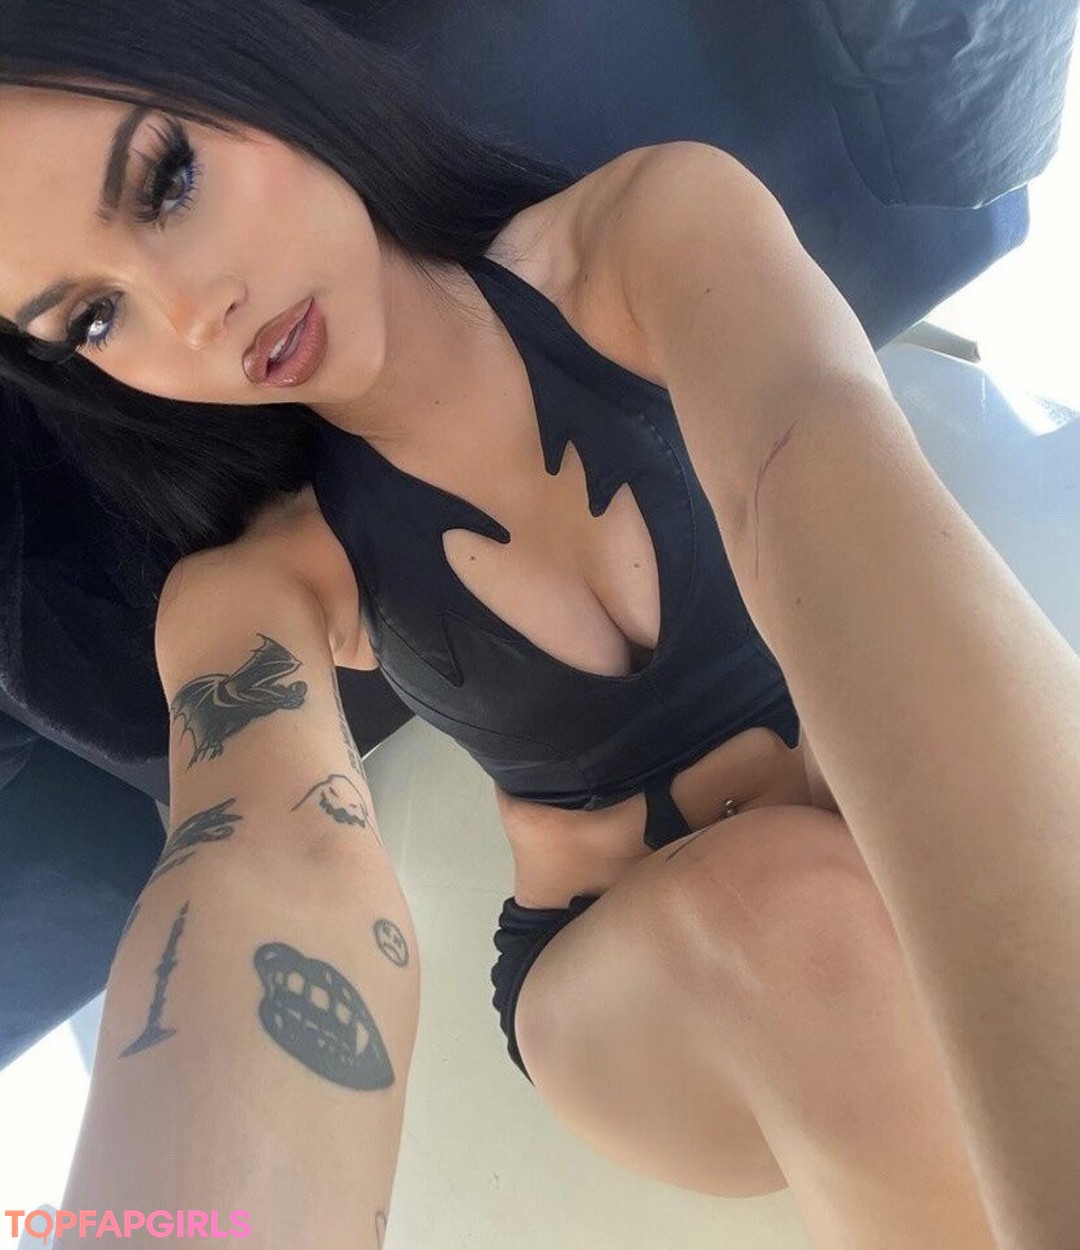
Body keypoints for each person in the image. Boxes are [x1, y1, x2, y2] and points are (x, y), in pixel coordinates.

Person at [1, 2, 1078, 1247]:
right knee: (798, 922)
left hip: (870, 830)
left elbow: (821, 472)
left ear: (249, 59)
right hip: (628, 980)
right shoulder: (262, 579)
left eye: (166, 181)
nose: (193, 318)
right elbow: (269, 865)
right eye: (93, 319)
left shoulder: (654, 233)